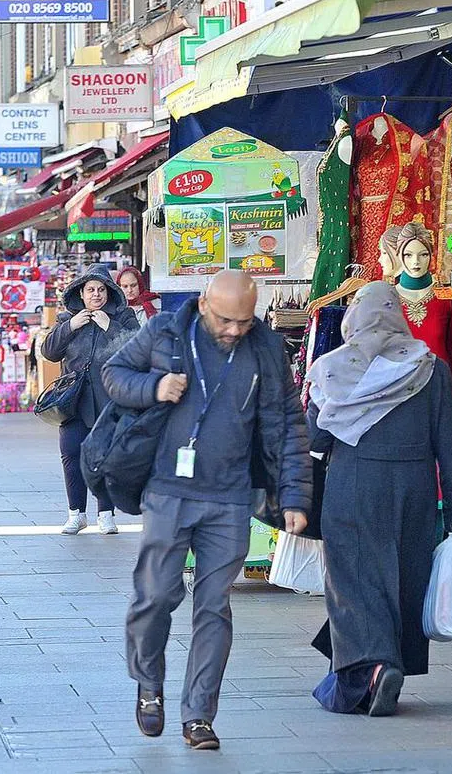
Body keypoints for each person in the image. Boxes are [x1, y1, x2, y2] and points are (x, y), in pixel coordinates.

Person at [102, 269, 311, 751]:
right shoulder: (165, 332)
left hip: (230, 497)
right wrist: (154, 388)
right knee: (154, 596)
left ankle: (198, 715)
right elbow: (114, 375)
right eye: (225, 320)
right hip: (167, 490)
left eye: (244, 320)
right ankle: (148, 682)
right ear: (202, 305)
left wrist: (296, 496)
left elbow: (286, 422)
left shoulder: (265, 348)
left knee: (214, 607)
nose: (235, 330)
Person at [306, 281, 452, 717]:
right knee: (400, 576)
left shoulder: (332, 368)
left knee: (354, 580)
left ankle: (376, 667)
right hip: (414, 487)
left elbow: (315, 435)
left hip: (353, 484)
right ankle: (373, 665)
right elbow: (450, 446)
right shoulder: (429, 367)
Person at [40, 264, 139, 536]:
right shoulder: (67, 319)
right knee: (71, 454)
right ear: (81, 293)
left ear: (109, 293)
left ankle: (106, 514)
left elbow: (137, 349)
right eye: (90, 289)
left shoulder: (125, 316)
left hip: (108, 400)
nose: (96, 294)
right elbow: (49, 351)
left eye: (101, 289)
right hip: (73, 401)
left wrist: (110, 326)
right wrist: (71, 325)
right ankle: (76, 514)